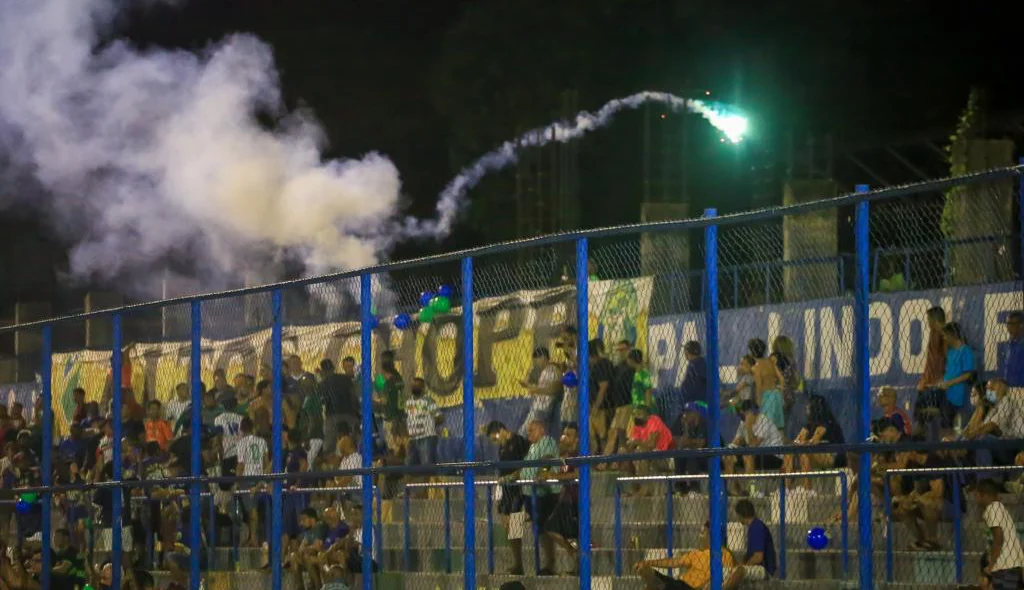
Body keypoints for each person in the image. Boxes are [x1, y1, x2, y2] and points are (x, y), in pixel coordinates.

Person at [504, 420, 559, 575]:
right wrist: (513, 476)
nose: (528, 436)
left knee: (542, 528)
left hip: (543, 493)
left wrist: (542, 472)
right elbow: (526, 466)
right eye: (527, 432)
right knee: (513, 523)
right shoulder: (533, 447)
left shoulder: (547, 441)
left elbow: (547, 459)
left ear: (541, 430)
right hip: (526, 492)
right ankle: (518, 563)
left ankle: (550, 564)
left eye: (531, 431)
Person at [486, 420, 530, 575]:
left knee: (514, 525)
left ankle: (519, 564)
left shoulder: (518, 442)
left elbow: (527, 463)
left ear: (502, 430)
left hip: (518, 488)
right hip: (506, 490)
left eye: (495, 437)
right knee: (507, 525)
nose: (496, 441)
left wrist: (514, 476)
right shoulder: (502, 447)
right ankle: (517, 563)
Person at [634, 522, 735, 590]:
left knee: (662, 583)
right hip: (681, 584)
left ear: (711, 536)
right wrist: (649, 562)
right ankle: (655, 579)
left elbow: (726, 576)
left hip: (691, 588)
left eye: (702, 533)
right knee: (653, 576)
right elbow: (673, 562)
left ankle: (656, 580)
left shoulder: (724, 554)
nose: (699, 536)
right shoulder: (696, 553)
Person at [539, 423, 581, 576]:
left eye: (568, 435)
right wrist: (545, 473)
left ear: (577, 439)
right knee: (552, 528)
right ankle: (576, 560)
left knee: (555, 528)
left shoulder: (577, 454)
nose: (563, 437)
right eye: (563, 434)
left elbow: (576, 475)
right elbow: (548, 460)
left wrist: (553, 476)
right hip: (562, 499)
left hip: (573, 500)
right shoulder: (565, 455)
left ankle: (577, 561)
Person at [783, 394, 845, 489]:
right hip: (815, 454)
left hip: (832, 455)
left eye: (808, 406)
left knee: (804, 453)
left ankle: (807, 489)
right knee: (788, 454)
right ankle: (787, 489)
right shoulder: (809, 425)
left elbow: (814, 442)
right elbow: (798, 440)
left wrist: (802, 444)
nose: (806, 408)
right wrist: (798, 443)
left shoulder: (826, 422)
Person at [723, 401, 783, 495]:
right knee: (728, 457)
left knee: (748, 456)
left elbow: (752, 445)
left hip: (773, 455)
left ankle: (751, 490)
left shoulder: (764, 421)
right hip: (754, 454)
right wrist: (730, 450)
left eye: (746, 414)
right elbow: (736, 441)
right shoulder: (743, 423)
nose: (744, 417)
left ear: (752, 413)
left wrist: (749, 426)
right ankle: (734, 489)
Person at [976, 478, 1024, 590]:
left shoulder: (993, 508)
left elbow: (998, 538)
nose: (976, 499)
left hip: (1004, 565)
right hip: (1006, 565)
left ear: (984, 495)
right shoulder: (998, 508)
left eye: (977, 495)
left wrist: (991, 565)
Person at [724, 500, 776, 589]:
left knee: (740, 571)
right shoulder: (753, 527)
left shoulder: (757, 527)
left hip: (764, 570)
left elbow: (758, 557)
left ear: (740, 515)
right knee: (724, 571)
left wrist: (744, 566)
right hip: (756, 567)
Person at [624, 406, 673, 487]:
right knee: (626, 455)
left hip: (666, 455)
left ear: (647, 415)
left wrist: (636, 442)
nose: (636, 416)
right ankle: (634, 488)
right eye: (634, 414)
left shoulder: (654, 420)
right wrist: (626, 449)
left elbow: (651, 445)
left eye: (639, 414)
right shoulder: (637, 426)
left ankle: (645, 488)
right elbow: (631, 444)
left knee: (640, 453)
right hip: (650, 454)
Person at [602, 339, 636, 457]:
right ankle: (614, 458)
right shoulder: (617, 368)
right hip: (619, 405)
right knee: (616, 432)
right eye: (618, 350)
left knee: (621, 433)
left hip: (628, 404)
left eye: (623, 350)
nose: (620, 353)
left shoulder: (632, 367)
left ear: (628, 350)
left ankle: (617, 459)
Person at [518, 347, 561, 437]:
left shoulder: (553, 370)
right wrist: (528, 385)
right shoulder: (545, 371)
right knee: (526, 432)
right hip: (538, 407)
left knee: (526, 433)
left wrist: (536, 389)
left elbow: (553, 390)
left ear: (543, 357)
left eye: (537, 360)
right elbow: (543, 389)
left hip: (543, 408)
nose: (537, 363)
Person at [588, 339, 614, 454]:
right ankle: (598, 460)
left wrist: (596, 406)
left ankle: (603, 460)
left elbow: (603, 387)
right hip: (599, 406)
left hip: (603, 407)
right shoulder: (598, 365)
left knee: (602, 436)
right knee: (594, 435)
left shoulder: (601, 364)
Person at [1002, 311, 1024, 389]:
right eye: (1007, 323)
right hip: (1009, 387)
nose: (1008, 326)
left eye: (1011, 324)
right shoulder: (1009, 344)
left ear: (1021, 325)